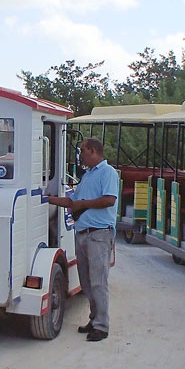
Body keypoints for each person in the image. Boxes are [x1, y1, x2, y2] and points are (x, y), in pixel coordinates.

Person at [45, 137, 118, 341]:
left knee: (98, 282)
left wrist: (83, 204)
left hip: (99, 234)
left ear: (93, 151)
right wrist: (47, 199)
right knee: (87, 282)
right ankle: (94, 319)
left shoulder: (108, 172)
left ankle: (101, 326)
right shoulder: (87, 175)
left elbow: (109, 199)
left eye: (83, 152)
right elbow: (72, 202)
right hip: (83, 234)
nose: (81, 156)